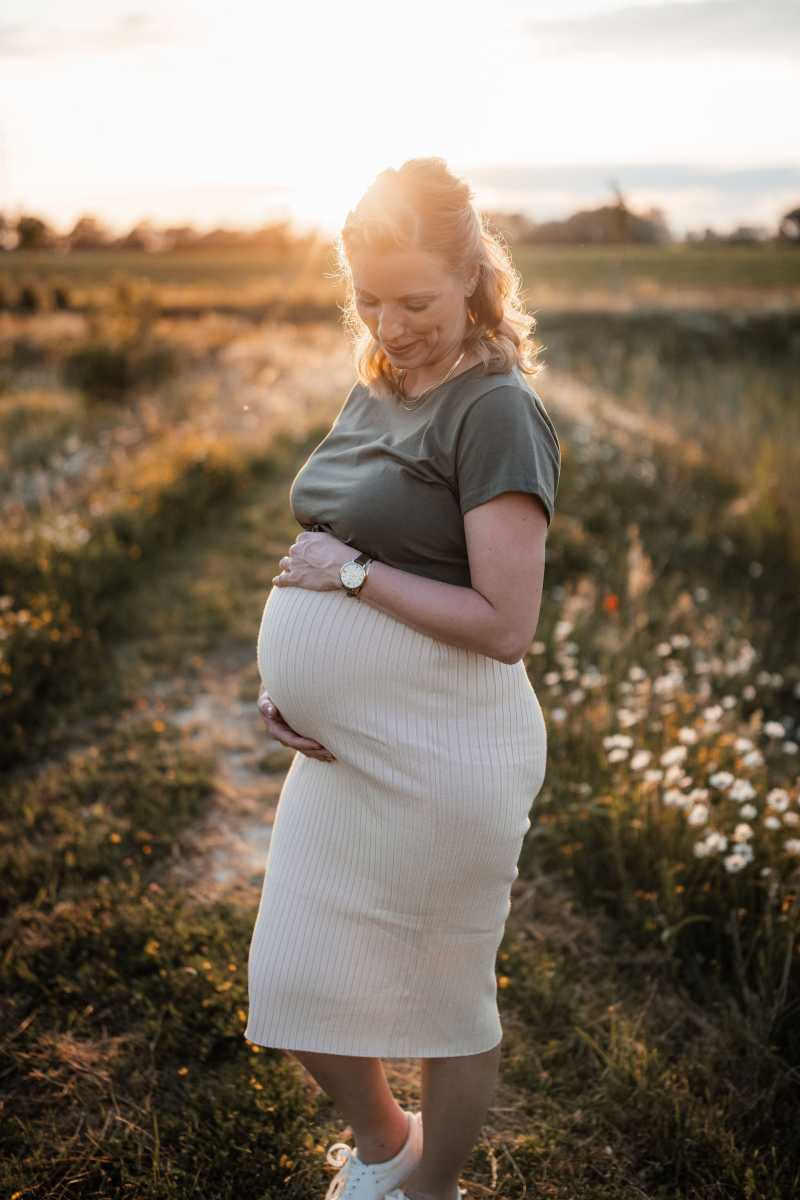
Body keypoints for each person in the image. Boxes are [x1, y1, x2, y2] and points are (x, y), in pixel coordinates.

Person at [245, 156, 561, 1200]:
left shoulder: (494, 410)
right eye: (368, 300)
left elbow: (504, 622)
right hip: (346, 755)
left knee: (442, 1001)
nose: (389, 325)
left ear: (472, 276)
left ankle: (427, 1193)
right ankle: (386, 1147)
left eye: (415, 301)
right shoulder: (378, 382)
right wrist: (289, 685)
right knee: (290, 977)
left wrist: (352, 576)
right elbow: (337, 537)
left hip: (448, 753)